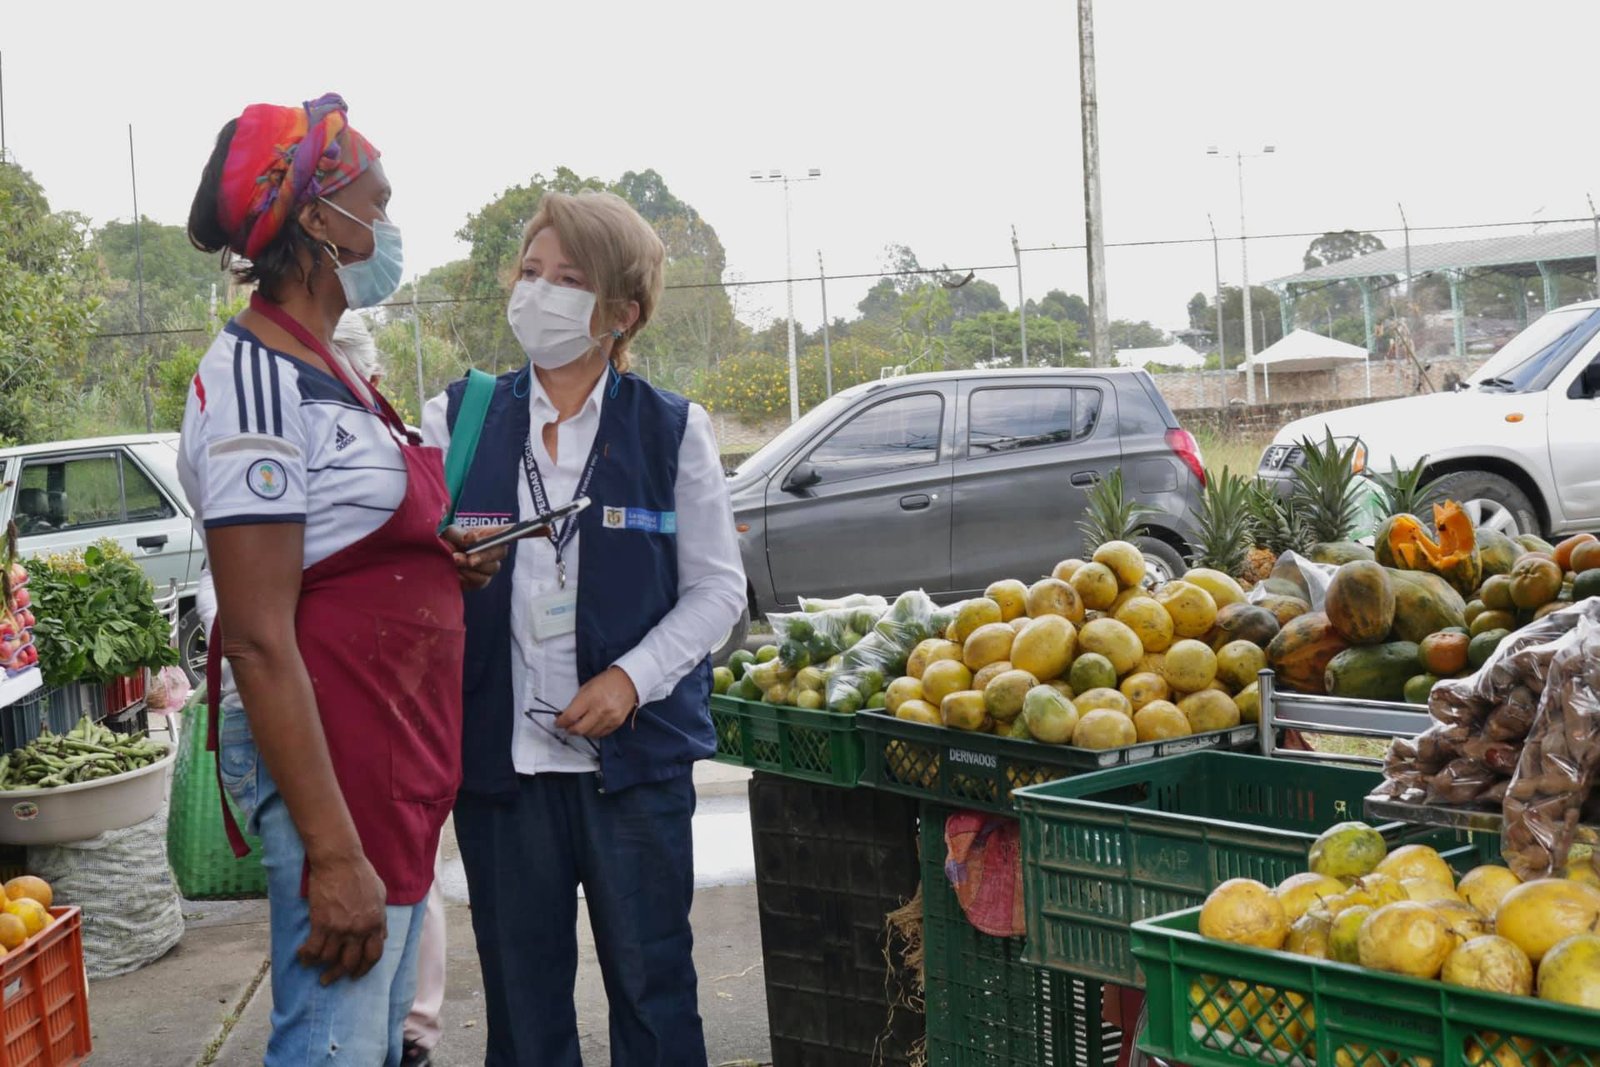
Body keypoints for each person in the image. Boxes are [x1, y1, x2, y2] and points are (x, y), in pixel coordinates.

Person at [180, 92, 505, 1067]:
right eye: (380, 198)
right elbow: (259, 635)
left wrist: (435, 562)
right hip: (335, 761)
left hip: (386, 752)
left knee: (367, 1039)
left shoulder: (334, 369)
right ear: (321, 217)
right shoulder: (255, 381)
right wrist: (330, 849)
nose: (391, 222)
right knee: (332, 1043)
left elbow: (338, 544)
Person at [420, 190, 746, 1066]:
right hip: (504, 770)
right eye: (531, 271)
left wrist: (631, 677)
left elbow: (718, 593)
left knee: (654, 993)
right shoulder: (458, 420)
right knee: (523, 1011)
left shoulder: (673, 430)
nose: (540, 292)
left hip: (632, 771)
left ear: (620, 312)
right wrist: (446, 573)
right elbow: (412, 589)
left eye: (569, 279)